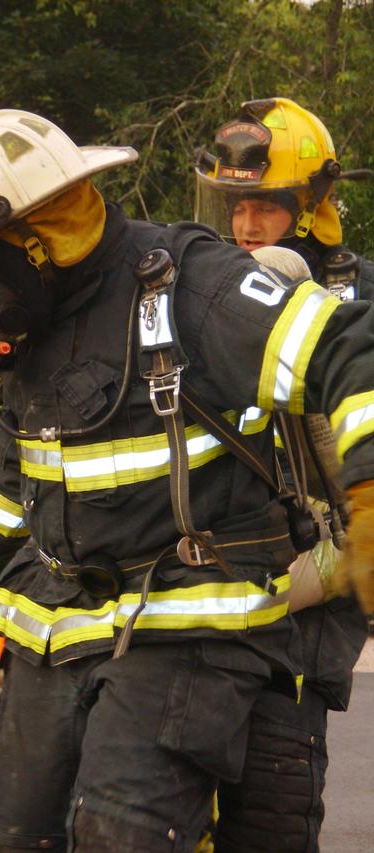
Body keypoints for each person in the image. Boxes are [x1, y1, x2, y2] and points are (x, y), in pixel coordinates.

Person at [0, 108, 374, 852]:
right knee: (13, 835)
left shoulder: (194, 286)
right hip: (53, 634)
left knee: (120, 833)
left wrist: (368, 491)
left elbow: (350, 348)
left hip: (184, 623)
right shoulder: (29, 323)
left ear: (36, 241)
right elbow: (19, 470)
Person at [194, 96, 371, 851]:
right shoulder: (197, 291)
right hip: (215, 568)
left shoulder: (360, 301)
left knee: (274, 804)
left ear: (312, 204)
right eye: (237, 205)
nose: (245, 224)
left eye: (266, 206)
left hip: (311, 584)